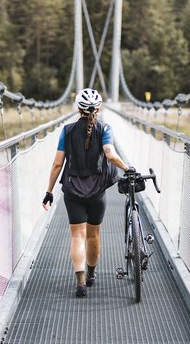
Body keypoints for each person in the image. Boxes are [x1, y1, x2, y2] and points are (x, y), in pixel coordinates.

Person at [42, 88, 133, 297]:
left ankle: (80, 282)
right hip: (97, 191)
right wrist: (127, 168)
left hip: (72, 190)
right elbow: (110, 154)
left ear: (78, 109)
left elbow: (57, 164)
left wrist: (49, 191)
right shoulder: (105, 128)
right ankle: (92, 275)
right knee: (93, 235)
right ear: (98, 109)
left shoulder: (67, 131)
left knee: (77, 236)